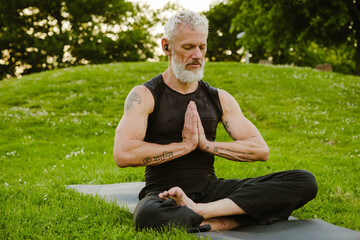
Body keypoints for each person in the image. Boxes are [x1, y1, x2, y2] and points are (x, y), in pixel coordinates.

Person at [113, 10, 317, 232]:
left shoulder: (218, 97)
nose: (198, 55)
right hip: (164, 193)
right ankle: (228, 219)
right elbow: (123, 153)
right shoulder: (145, 95)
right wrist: (184, 146)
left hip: (211, 190)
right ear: (166, 46)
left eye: (202, 47)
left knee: (303, 181)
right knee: (148, 215)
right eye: (188, 47)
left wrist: (207, 145)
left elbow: (260, 150)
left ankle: (203, 213)